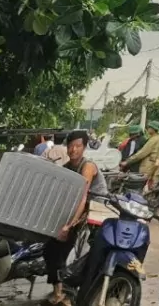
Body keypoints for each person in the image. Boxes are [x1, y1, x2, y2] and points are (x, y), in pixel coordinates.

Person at [41, 131, 106, 306]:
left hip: (94, 214)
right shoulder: (68, 167)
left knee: (72, 253)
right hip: (78, 212)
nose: (73, 149)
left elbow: (81, 197)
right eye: (70, 146)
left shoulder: (88, 166)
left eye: (78, 146)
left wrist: (69, 226)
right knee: (50, 249)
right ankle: (58, 291)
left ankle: (69, 295)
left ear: (84, 148)